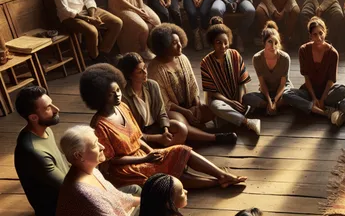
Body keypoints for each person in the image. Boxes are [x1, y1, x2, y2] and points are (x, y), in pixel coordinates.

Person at [80, 63, 246, 188]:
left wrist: (152, 152)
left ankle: (221, 175)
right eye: (111, 94)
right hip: (126, 169)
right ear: (99, 96)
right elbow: (113, 160)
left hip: (143, 154)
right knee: (166, 174)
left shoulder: (122, 107)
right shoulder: (99, 125)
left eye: (118, 90)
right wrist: (145, 158)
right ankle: (216, 183)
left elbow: (138, 137)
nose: (117, 95)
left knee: (182, 150)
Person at [147, 23, 237, 144]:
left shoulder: (182, 58)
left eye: (179, 41)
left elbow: (192, 84)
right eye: (174, 43)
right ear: (163, 46)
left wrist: (197, 105)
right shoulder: (155, 68)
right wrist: (186, 112)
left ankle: (195, 132)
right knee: (181, 125)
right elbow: (164, 103)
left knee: (213, 108)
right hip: (171, 111)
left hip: (189, 106)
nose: (180, 46)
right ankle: (214, 138)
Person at [14, 87, 69, 216]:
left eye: (52, 104)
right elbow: (69, 188)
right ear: (33, 117)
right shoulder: (33, 151)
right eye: (47, 108)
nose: (56, 109)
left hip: (68, 197)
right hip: (58, 214)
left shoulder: (45, 129)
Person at [200, 23, 262, 134]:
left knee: (252, 97)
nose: (223, 46)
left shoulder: (235, 55)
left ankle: (233, 117)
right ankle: (247, 121)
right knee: (215, 105)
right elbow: (212, 92)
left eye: (225, 42)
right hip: (222, 101)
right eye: (218, 43)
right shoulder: (205, 63)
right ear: (212, 43)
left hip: (237, 96)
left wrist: (239, 100)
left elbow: (242, 83)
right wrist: (231, 103)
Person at [118, 52, 188, 147]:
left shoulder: (152, 85)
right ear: (130, 76)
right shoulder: (124, 97)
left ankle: (162, 149)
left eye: (145, 68)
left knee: (181, 128)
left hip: (156, 127)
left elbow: (161, 113)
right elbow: (131, 131)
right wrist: (158, 138)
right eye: (140, 72)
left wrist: (165, 130)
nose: (145, 73)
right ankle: (160, 151)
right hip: (141, 134)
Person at [284, 16, 345, 117]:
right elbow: (307, 78)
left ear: (325, 32)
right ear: (310, 36)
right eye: (315, 35)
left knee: (343, 90)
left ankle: (314, 105)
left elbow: (331, 81)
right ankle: (317, 109)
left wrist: (322, 99)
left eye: (321, 33)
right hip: (309, 92)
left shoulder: (333, 53)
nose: (318, 38)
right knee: (286, 94)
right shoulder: (303, 50)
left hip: (326, 92)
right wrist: (313, 98)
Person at [242, 21, 292, 116]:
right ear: (264, 42)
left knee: (290, 96)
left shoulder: (285, 58)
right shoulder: (257, 58)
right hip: (266, 92)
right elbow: (262, 83)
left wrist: (275, 100)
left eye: (276, 42)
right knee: (246, 98)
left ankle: (275, 105)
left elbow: (283, 84)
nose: (273, 46)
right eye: (270, 42)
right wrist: (269, 101)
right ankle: (271, 106)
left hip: (283, 91)